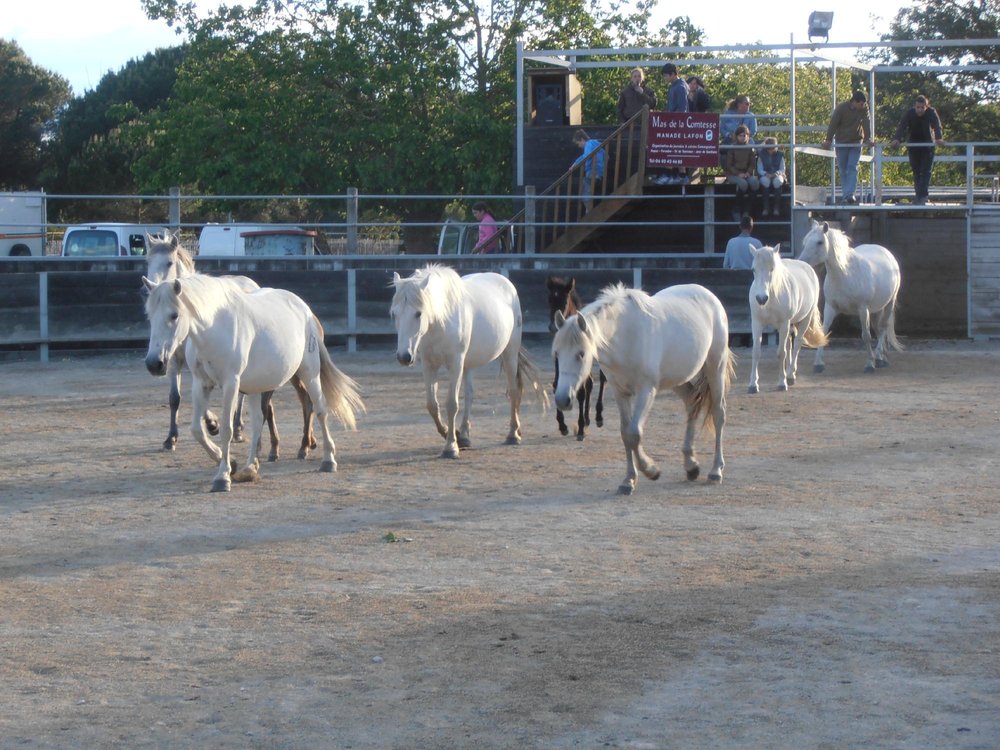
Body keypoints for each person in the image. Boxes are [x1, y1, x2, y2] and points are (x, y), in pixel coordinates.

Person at [891, 94, 945, 205]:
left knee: (925, 171)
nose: (920, 110)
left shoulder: (931, 112)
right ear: (915, 106)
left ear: (926, 107)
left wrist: (939, 138)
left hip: (927, 146)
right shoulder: (910, 113)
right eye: (918, 107)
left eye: (922, 107)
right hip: (913, 146)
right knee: (916, 171)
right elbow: (902, 126)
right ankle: (918, 196)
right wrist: (897, 139)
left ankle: (923, 196)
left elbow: (936, 125)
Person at [822, 91, 874, 205]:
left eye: (863, 104)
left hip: (856, 141)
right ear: (854, 102)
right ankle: (847, 195)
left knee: (852, 166)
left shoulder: (864, 108)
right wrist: (828, 139)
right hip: (842, 142)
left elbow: (866, 121)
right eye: (860, 104)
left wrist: (868, 138)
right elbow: (833, 124)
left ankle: (850, 195)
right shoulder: (841, 108)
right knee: (843, 168)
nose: (862, 106)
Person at [654, 62, 690, 185]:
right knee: (676, 150)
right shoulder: (673, 86)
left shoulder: (680, 87)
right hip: (672, 122)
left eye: (665, 75)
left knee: (670, 150)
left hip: (677, 124)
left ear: (673, 74)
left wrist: (675, 123)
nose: (664, 78)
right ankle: (682, 175)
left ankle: (669, 175)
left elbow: (682, 109)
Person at [725, 125, 760, 220]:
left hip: (746, 173)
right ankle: (736, 209)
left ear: (748, 136)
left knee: (755, 183)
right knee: (743, 184)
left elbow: (752, 164)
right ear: (736, 136)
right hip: (733, 174)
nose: (743, 137)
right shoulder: (732, 147)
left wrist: (748, 173)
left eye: (745, 135)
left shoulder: (750, 148)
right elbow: (729, 165)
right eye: (740, 135)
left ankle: (747, 210)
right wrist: (738, 174)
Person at [572, 129, 606, 209]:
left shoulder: (588, 144)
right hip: (600, 172)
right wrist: (575, 163)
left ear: (582, 139)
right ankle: (590, 207)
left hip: (592, 171)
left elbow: (586, 156)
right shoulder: (596, 143)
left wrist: (576, 164)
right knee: (589, 190)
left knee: (584, 191)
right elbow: (606, 156)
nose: (579, 146)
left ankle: (588, 210)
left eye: (578, 143)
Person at [756, 137, 786, 217]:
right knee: (765, 182)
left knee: (778, 182)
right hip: (765, 175)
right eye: (769, 148)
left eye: (773, 148)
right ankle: (766, 208)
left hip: (777, 174)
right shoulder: (761, 155)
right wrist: (766, 174)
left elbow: (782, 169)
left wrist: (776, 173)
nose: (771, 150)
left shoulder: (780, 155)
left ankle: (776, 207)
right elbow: (759, 169)